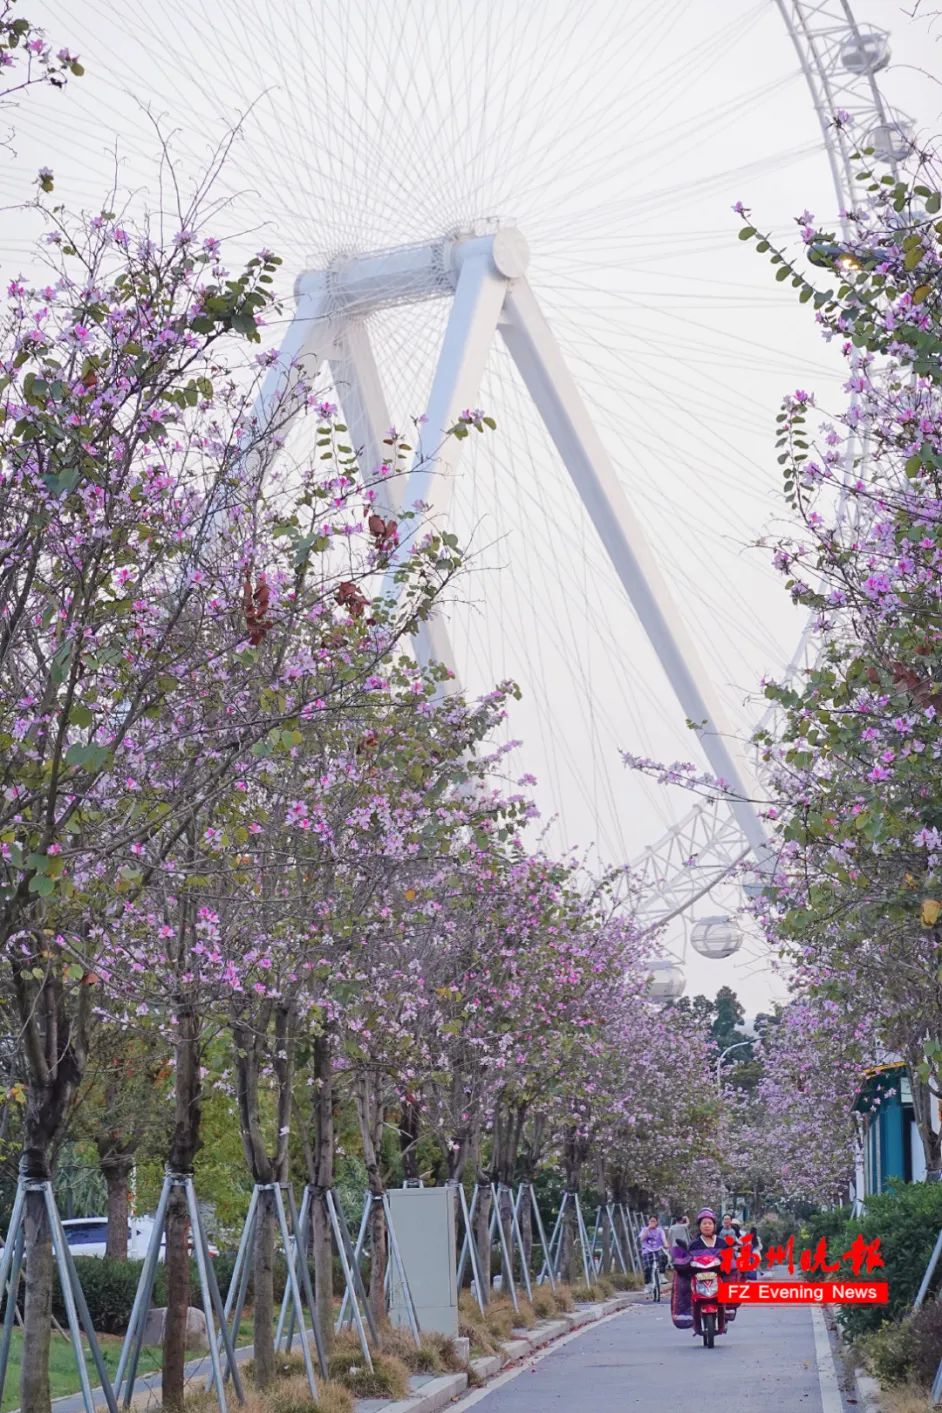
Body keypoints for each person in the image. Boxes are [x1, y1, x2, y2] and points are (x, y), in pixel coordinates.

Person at [638, 1213, 669, 1287]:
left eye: (654, 1221)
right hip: (647, 1250)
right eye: (651, 1221)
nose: (652, 1223)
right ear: (648, 1222)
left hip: (658, 1249)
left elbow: (664, 1239)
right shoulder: (644, 1229)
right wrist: (648, 1228)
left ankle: (662, 1275)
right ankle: (648, 1285)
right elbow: (641, 1239)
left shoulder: (660, 1230)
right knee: (648, 1268)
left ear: (657, 1222)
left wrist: (666, 1245)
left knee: (664, 1257)